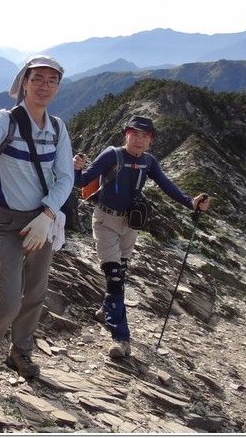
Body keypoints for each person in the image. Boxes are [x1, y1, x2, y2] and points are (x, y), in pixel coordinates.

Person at [0, 55, 73, 390]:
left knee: (35, 294)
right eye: (37, 78)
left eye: (52, 81)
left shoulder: (58, 128)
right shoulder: (4, 120)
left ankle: (20, 354)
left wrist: (48, 214)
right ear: (24, 81)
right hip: (8, 222)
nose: (44, 86)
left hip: (44, 222)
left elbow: (66, 178)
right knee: (8, 299)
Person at [73, 116, 210, 359]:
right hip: (105, 221)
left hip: (131, 225)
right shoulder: (111, 155)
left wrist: (191, 203)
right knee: (114, 276)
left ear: (150, 140)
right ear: (126, 135)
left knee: (120, 273)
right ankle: (120, 337)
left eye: (144, 136)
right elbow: (81, 182)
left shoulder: (149, 162)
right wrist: (76, 168)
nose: (139, 140)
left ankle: (106, 311)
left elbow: (167, 185)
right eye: (134, 135)